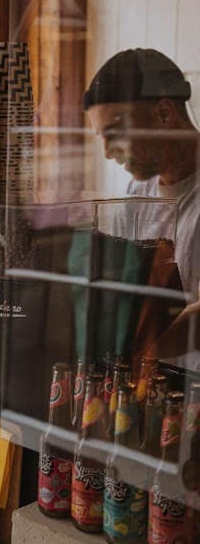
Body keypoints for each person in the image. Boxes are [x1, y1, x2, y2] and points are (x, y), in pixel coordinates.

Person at [83, 48, 200, 367]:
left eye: (116, 132)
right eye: (101, 138)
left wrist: (134, 352)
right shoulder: (138, 193)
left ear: (164, 114)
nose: (107, 152)